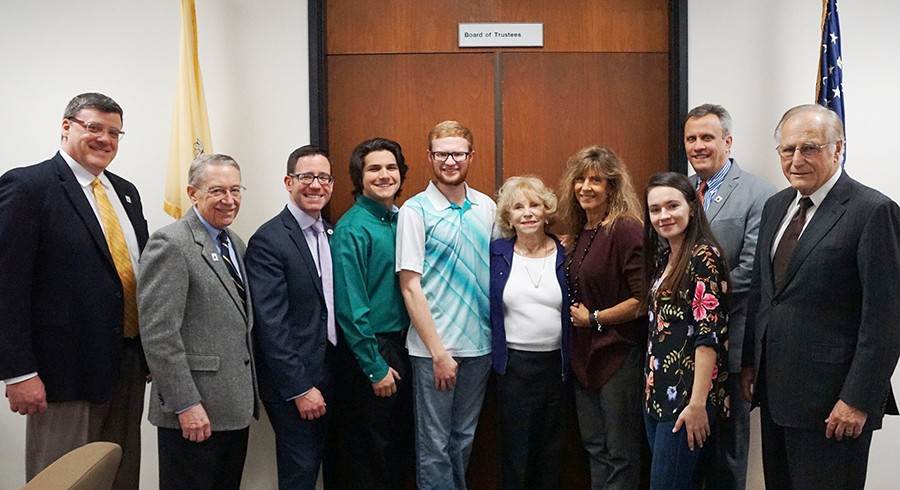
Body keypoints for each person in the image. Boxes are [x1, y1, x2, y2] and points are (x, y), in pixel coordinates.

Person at [740, 104, 900, 489]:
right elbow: (764, 296)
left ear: (838, 148)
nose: (796, 160)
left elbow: (885, 319)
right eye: (787, 149)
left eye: (809, 148)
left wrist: (858, 399)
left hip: (834, 405)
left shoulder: (872, 211)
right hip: (777, 396)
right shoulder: (777, 205)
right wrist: (749, 365)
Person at [0, 92, 148, 489]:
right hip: (62, 375)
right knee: (65, 480)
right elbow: (7, 285)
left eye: (115, 132)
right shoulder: (29, 186)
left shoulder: (126, 192)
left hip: (128, 364)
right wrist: (19, 372)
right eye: (94, 128)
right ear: (66, 127)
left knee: (121, 475)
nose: (105, 139)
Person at [138, 153, 258, 490]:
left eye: (236, 190)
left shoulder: (235, 243)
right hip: (193, 410)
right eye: (217, 190)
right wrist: (186, 403)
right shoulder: (171, 243)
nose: (229, 200)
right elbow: (159, 333)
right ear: (192, 193)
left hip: (232, 408)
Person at [396, 120, 496, 489]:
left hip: (480, 348)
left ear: (471, 156)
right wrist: (438, 353)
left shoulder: (486, 207)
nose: (450, 161)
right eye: (442, 153)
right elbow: (410, 286)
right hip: (433, 351)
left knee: (463, 438)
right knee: (434, 444)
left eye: (457, 153)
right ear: (429, 157)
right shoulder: (415, 210)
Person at [683, 103, 774, 489]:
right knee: (687, 455)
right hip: (681, 348)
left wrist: (691, 297)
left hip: (731, 347)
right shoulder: (681, 190)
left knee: (728, 456)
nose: (698, 145)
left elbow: (751, 273)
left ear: (728, 141)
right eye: (691, 138)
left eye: (707, 137)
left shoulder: (759, 194)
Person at [244, 145, 337, 489]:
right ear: (288, 181)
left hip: (331, 371)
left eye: (323, 177)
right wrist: (299, 388)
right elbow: (271, 325)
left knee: (324, 465)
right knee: (300, 469)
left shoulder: (330, 232)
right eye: (306, 176)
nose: (316, 184)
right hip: (296, 382)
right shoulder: (269, 240)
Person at [558, 146, 645, 489]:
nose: (586, 187)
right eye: (580, 179)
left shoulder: (625, 229)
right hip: (584, 358)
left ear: (612, 186)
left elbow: (642, 300)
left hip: (617, 355)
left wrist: (595, 318)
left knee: (620, 452)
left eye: (596, 180)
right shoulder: (582, 233)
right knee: (595, 447)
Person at [331, 137, 414, 489]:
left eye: (391, 167)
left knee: (397, 451)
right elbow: (350, 307)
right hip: (371, 353)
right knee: (370, 458)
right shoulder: (353, 228)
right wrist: (374, 366)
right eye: (374, 168)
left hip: (403, 347)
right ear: (359, 177)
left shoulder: (401, 220)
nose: (384, 175)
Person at [642, 171, 730, 490]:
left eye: (672, 206)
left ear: (692, 206)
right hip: (657, 394)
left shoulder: (703, 256)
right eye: (655, 209)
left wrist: (696, 404)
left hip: (685, 399)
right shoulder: (666, 255)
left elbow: (709, 337)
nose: (664, 215)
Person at [490, 175, 569, 489]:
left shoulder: (566, 252)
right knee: (515, 453)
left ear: (546, 210)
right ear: (508, 216)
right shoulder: (497, 252)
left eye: (534, 204)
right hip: (513, 368)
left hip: (557, 367)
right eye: (518, 207)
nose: (527, 212)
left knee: (552, 453)